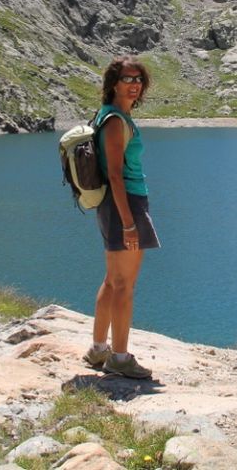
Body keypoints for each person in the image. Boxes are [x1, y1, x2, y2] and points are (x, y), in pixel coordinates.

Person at [83, 55, 160, 379]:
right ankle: (120, 357)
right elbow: (115, 175)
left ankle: (99, 350)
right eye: (128, 79)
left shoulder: (110, 116)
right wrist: (130, 223)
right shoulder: (115, 120)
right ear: (113, 83)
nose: (134, 85)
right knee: (125, 285)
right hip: (124, 203)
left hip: (115, 205)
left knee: (112, 281)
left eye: (138, 79)